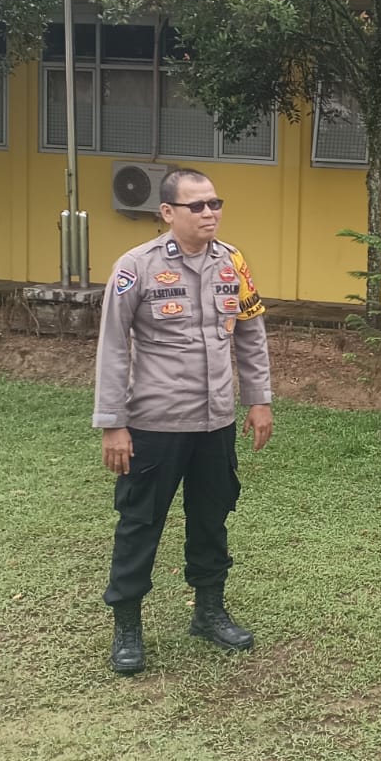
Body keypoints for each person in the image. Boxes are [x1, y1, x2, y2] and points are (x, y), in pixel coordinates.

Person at [93, 168, 274, 675]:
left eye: (215, 203)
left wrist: (258, 400)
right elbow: (113, 346)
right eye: (197, 206)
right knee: (140, 523)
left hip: (215, 423)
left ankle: (209, 612)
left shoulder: (232, 262)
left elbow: (250, 333)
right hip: (155, 423)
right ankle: (127, 625)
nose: (209, 213)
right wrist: (113, 423)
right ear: (168, 212)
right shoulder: (136, 267)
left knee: (212, 518)